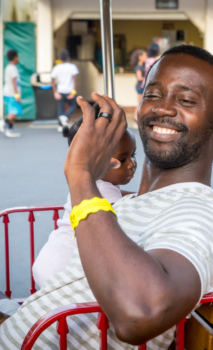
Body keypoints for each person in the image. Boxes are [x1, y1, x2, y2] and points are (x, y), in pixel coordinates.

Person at [0, 45, 213, 350]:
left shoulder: (197, 214)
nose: (163, 109)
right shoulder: (127, 204)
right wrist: (12, 326)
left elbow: (138, 315)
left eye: (186, 100)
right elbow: (74, 295)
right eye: (153, 95)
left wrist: (81, 174)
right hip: (15, 337)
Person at [32, 114, 137, 288]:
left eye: (134, 155)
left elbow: (118, 194)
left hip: (50, 259)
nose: (132, 164)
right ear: (93, 161)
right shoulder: (101, 195)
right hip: (63, 271)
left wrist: (141, 194)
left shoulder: (87, 184)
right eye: (122, 159)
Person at [0, 50, 22, 138]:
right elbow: (14, 82)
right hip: (11, 94)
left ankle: (10, 130)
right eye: (17, 56)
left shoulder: (9, 67)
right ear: (15, 58)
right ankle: (2, 122)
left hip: (8, 93)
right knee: (15, 111)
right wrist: (17, 95)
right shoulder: (12, 68)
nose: (18, 58)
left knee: (11, 112)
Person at [51, 49, 80, 129]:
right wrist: (73, 92)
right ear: (68, 57)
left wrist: (55, 92)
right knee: (73, 105)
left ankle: (61, 125)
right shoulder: (72, 67)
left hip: (60, 90)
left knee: (61, 108)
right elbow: (75, 79)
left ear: (60, 58)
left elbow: (52, 80)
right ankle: (66, 117)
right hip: (69, 90)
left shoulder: (57, 67)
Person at [131, 49, 147, 120]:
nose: (146, 57)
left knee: (141, 102)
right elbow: (139, 78)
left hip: (141, 86)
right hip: (140, 87)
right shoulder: (138, 67)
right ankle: (136, 117)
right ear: (140, 57)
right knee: (140, 102)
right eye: (145, 56)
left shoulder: (141, 66)